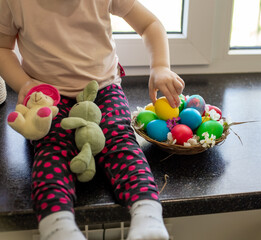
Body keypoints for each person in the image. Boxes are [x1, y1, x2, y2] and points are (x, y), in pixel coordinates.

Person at [0, 1, 185, 240]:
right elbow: (3, 47)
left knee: (120, 140)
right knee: (51, 148)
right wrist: (24, 84)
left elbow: (149, 24)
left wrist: (160, 66)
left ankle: (148, 217)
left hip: (104, 89)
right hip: (47, 96)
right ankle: (57, 228)